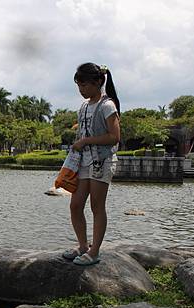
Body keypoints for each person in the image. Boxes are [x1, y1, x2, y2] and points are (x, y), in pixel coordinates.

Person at [62, 62, 121, 266]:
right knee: (75, 205)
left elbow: (114, 137)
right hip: (84, 163)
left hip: (102, 162)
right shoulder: (85, 106)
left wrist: (86, 141)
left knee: (97, 206)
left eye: (84, 85)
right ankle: (82, 246)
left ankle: (94, 251)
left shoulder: (107, 105)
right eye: (79, 86)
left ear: (98, 82)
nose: (81, 90)